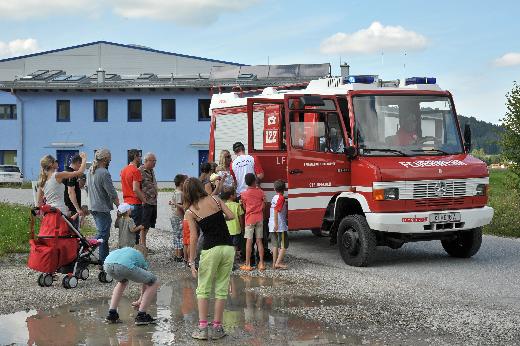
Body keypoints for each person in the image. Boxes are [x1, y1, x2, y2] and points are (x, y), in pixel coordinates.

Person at [184, 178, 235, 340]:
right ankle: (218, 328)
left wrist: (192, 261)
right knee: (221, 288)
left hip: (210, 250)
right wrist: (218, 218)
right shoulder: (215, 199)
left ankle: (203, 328)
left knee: (203, 289)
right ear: (200, 187)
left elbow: (194, 237)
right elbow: (231, 216)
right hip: (228, 248)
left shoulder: (191, 211)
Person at [103, 246, 160, 326]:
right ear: (144, 254)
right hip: (123, 265)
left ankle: (112, 314)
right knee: (154, 281)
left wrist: (140, 299)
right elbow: (146, 283)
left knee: (122, 282)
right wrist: (140, 300)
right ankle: (141, 316)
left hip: (107, 264)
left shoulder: (127, 250)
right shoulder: (141, 256)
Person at [87, 149, 119, 266]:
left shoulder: (90, 171)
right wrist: (119, 206)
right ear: (105, 159)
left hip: (93, 206)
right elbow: (111, 192)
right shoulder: (104, 173)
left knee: (104, 235)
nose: (110, 160)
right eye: (109, 158)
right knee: (103, 234)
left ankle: (104, 260)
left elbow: (87, 188)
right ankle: (85, 249)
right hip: (102, 207)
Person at [36, 152, 87, 217]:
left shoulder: (42, 180)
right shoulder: (57, 175)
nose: (57, 162)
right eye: (55, 161)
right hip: (60, 211)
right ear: (51, 164)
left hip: (49, 212)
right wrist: (84, 158)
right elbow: (80, 172)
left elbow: (38, 203)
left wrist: (40, 216)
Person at [239, 173, 266, 272]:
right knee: (259, 241)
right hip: (259, 218)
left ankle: (247, 264)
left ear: (246, 182)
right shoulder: (261, 192)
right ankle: (261, 263)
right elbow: (264, 205)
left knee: (249, 242)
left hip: (249, 219)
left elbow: (245, 208)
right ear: (255, 181)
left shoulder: (244, 194)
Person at [120, 149, 145, 244]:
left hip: (126, 203)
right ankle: (134, 251)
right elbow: (135, 188)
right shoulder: (135, 170)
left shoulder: (123, 170)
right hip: (135, 203)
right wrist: (144, 200)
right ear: (135, 157)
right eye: (139, 156)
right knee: (135, 230)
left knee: (127, 229)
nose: (140, 158)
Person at [139, 152, 158, 250]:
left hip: (153, 201)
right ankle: (142, 246)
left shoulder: (151, 170)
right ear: (146, 161)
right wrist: (143, 199)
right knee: (144, 225)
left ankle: (143, 245)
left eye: (155, 161)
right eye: (153, 161)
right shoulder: (140, 170)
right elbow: (137, 186)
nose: (155, 163)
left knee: (149, 224)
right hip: (146, 202)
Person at [269, 180, 289, 269]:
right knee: (284, 245)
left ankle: (274, 263)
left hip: (272, 224)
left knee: (275, 245)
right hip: (280, 225)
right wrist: (277, 224)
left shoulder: (274, 197)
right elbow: (277, 211)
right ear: (284, 189)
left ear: (274, 189)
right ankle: (278, 263)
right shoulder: (281, 198)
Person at [221, 187, 244, 262]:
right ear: (231, 196)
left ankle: (226, 261)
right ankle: (232, 262)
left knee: (227, 246)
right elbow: (240, 218)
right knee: (234, 247)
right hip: (236, 229)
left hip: (226, 230)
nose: (236, 195)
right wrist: (242, 228)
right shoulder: (237, 205)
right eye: (235, 194)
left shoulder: (223, 205)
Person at [62, 154, 84, 229]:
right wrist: (77, 208)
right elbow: (71, 192)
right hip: (71, 208)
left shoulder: (67, 172)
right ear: (78, 162)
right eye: (81, 164)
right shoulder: (71, 174)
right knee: (73, 231)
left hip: (68, 206)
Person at [169, 174, 187, 262]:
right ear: (181, 183)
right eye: (185, 182)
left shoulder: (176, 191)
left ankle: (177, 254)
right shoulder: (180, 193)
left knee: (176, 235)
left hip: (174, 216)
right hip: (178, 217)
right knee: (180, 236)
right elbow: (181, 206)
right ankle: (179, 255)